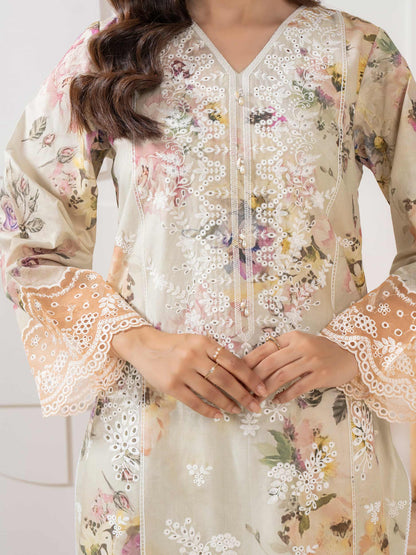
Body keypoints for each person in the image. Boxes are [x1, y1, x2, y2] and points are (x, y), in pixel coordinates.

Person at [1, 0, 415, 552]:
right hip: (151, 445)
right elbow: (27, 241)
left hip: (323, 457)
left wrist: (355, 347)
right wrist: (139, 342)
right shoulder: (108, 55)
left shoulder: (356, 53)